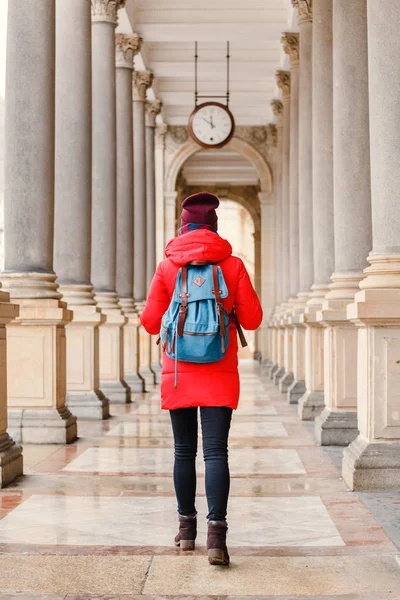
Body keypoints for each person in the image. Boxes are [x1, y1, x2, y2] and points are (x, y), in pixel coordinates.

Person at [140, 192, 263, 566]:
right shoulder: (233, 265)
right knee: (215, 453)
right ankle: (216, 538)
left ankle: (186, 531)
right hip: (220, 371)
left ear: (183, 227)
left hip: (178, 372)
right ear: (214, 228)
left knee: (183, 452)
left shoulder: (167, 268)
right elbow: (254, 319)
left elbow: (149, 323)